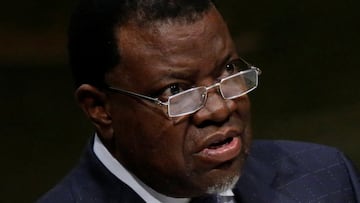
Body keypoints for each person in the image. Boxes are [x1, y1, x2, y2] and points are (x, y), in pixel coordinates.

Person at [38, 0, 360, 202]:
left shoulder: (326, 178)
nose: (221, 108)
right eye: (177, 91)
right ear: (100, 109)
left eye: (229, 69)